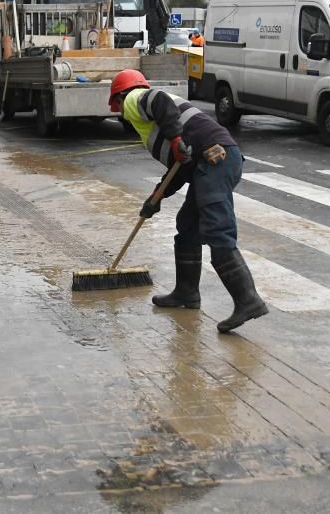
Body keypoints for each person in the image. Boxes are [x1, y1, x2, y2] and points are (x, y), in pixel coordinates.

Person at [108, 68, 269, 333]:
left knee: (217, 229)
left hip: (215, 158)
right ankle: (186, 294)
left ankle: (247, 300)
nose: (119, 112)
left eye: (116, 105)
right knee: (188, 228)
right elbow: (180, 168)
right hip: (210, 163)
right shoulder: (156, 124)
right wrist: (156, 197)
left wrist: (176, 140)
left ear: (119, 98)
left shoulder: (135, 98)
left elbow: (159, 101)